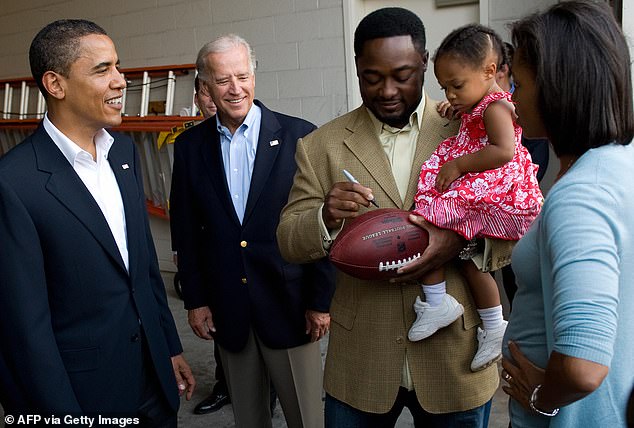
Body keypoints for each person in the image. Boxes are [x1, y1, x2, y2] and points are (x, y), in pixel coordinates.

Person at [277, 7, 514, 427]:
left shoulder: (471, 129)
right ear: (356, 68)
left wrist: (459, 241)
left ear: (425, 64)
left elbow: (514, 223)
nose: (387, 90)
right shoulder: (320, 146)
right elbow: (289, 241)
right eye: (372, 77)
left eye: (402, 75)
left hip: (454, 362)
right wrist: (326, 216)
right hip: (361, 364)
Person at [0, 19, 195, 424]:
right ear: (56, 84)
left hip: (155, 384)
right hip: (84, 396)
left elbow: (142, 270)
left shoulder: (123, 153)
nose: (121, 81)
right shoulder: (13, 183)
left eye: (118, 67)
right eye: (102, 70)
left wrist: (169, 349)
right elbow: (22, 328)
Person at [169, 34, 335, 428]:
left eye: (242, 76)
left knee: (307, 419)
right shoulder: (190, 146)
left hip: (291, 307)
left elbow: (323, 225)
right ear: (205, 85)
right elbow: (186, 228)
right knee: (249, 419)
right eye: (223, 80)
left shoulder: (301, 137)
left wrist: (321, 301)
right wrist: (195, 299)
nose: (235, 88)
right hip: (230, 311)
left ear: (254, 77)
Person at [501, 1, 634, 427]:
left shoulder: (582, 195)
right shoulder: (617, 165)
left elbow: (583, 366)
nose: (509, 97)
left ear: (556, 86)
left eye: (517, 84)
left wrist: (542, 397)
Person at [409, 24, 543, 372]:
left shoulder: (496, 106)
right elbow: (474, 117)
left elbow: (502, 150)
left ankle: (475, 316)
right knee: (466, 257)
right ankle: (471, 314)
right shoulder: (479, 102)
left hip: (494, 186)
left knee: (433, 219)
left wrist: (458, 164)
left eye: (457, 86)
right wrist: (461, 109)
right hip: (482, 182)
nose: (450, 94)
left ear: (488, 72)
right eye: (445, 87)